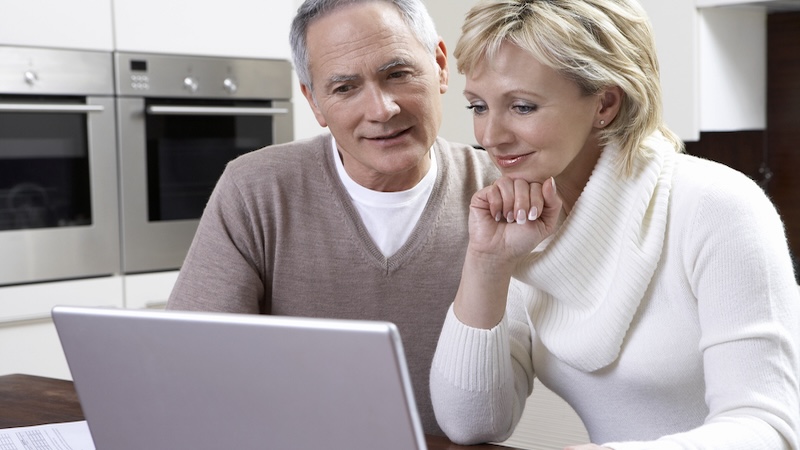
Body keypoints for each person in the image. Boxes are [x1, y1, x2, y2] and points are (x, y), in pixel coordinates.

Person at [429, 0, 800, 449]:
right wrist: (487, 262)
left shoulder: (717, 207)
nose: (490, 137)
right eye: (479, 106)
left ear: (604, 103)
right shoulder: (524, 219)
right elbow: (471, 424)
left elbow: (768, 429)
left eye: (522, 107)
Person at [165, 0, 499, 437]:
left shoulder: (500, 192)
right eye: (344, 88)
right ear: (315, 102)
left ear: (439, 65)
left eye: (397, 74)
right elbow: (187, 364)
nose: (381, 110)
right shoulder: (256, 188)